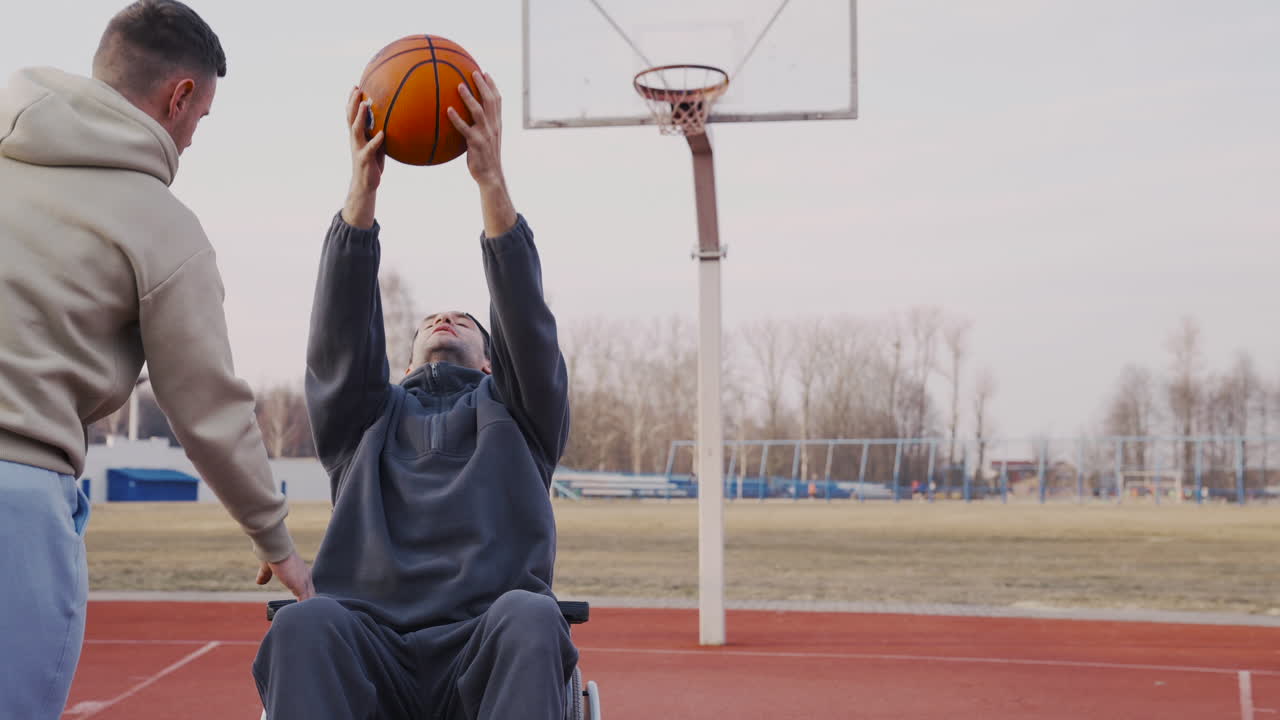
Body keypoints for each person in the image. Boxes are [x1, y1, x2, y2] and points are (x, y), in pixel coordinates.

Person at [0, 3, 313, 717]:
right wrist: (276, 541)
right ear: (179, 99)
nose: (194, 137)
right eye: (201, 118)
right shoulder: (161, 226)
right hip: (15, 496)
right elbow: (207, 406)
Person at [253, 72, 577, 720]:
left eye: (464, 318)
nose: (444, 319)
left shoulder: (520, 415)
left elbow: (527, 325)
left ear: (491, 360)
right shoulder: (365, 420)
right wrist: (361, 193)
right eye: (431, 319)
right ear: (398, 364)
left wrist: (491, 182)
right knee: (303, 625)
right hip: (367, 649)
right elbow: (340, 334)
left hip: (486, 647)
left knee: (531, 616)